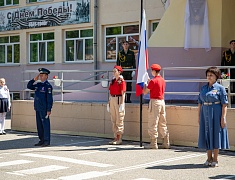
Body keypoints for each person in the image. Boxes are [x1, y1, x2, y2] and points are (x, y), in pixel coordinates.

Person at [198, 66, 229, 167]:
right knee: (207, 134)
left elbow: (224, 104)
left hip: (216, 113)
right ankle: (208, 158)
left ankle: (215, 159)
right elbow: (199, 103)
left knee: (216, 134)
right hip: (205, 112)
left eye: (211, 75)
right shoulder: (203, 88)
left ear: (216, 76)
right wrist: (199, 116)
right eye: (207, 75)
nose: (209, 77)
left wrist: (223, 117)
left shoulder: (220, 88)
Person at [143, 64, 170, 149]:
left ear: (154, 71)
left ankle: (153, 143)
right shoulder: (162, 80)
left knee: (153, 122)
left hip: (154, 102)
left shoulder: (153, 81)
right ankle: (166, 142)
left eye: (152, 70)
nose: (151, 72)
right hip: (162, 102)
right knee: (162, 122)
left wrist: (145, 83)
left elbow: (145, 92)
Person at [27, 68, 53, 147]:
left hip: (44, 108)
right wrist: (34, 79)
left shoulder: (48, 86)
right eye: (40, 75)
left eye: (42, 75)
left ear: (46, 76)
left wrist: (49, 109)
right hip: (38, 108)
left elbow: (49, 99)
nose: (40, 77)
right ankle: (41, 140)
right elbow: (29, 86)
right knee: (39, 125)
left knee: (45, 125)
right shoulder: (38, 85)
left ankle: (46, 141)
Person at [108, 65, 126, 145]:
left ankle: (119, 138)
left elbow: (123, 93)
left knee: (119, 119)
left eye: (115, 71)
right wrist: (109, 102)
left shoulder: (121, 81)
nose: (114, 73)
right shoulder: (113, 81)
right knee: (113, 119)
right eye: (113, 71)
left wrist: (122, 104)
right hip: (112, 99)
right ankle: (115, 137)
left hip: (118, 99)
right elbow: (110, 92)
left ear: (119, 72)